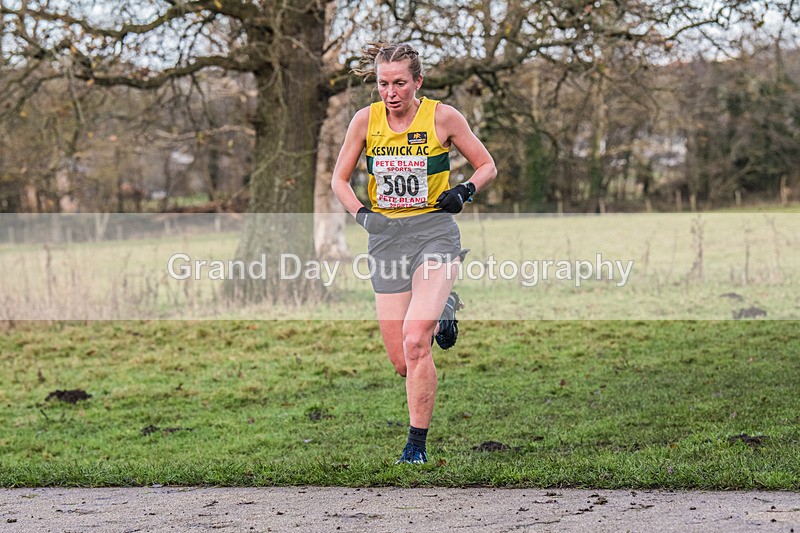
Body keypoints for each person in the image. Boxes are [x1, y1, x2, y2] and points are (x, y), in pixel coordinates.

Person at [330, 42, 497, 464]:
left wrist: (464, 192)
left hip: (433, 233)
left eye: (400, 83)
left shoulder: (442, 117)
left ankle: (415, 447)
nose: (391, 92)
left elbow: (486, 165)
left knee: (415, 340)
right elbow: (339, 181)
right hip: (386, 238)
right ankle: (445, 307)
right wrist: (363, 216)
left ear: (417, 82)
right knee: (402, 360)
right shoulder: (365, 121)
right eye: (384, 83)